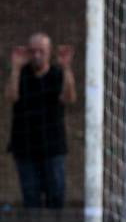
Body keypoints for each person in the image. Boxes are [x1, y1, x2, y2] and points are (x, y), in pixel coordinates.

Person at [4, 33, 77, 209]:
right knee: (31, 198)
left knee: (56, 195)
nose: (37, 55)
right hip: (25, 147)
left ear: (49, 52)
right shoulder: (22, 75)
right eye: (33, 51)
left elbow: (69, 97)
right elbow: (10, 96)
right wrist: (15, 68)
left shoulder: (57, 73)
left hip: (53, 146)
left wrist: (67, 68)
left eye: (41, 51)